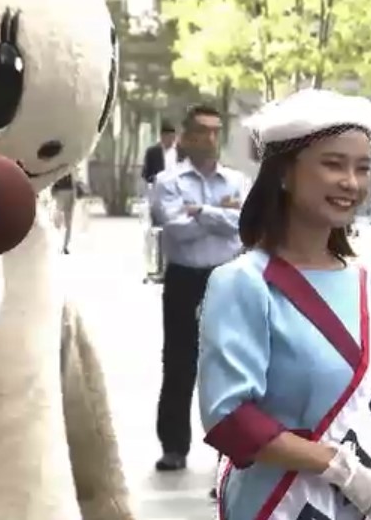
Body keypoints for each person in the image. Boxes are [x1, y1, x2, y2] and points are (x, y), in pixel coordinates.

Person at [197, 88, 371, 520]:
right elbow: (229, 418)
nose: (351, 183)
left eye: (362, 168)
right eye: (333, 164)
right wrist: (338, 466)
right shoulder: (243, 283)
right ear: (283, 173)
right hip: (279, 506)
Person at [150, 104, 247, 472]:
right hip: (184, 280)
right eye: (202, 131)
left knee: (233, 362)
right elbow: (177, 230)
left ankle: (235, 450)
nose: (210, 138)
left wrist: (200, 211)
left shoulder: (237, 181)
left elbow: (244, 227)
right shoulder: (168, 182)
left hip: (228, 278)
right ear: (187, 138)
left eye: (216, 131)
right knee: (179, 363)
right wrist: (221, 212)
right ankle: (174, 447)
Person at [142, 120, 180, 185]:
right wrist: (156, 179)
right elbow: (146, 174)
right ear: (162, 136)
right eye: (167, 136)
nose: (170, 139)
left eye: (172, 136)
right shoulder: (152, 153)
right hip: (159, 188)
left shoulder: (180, 151)